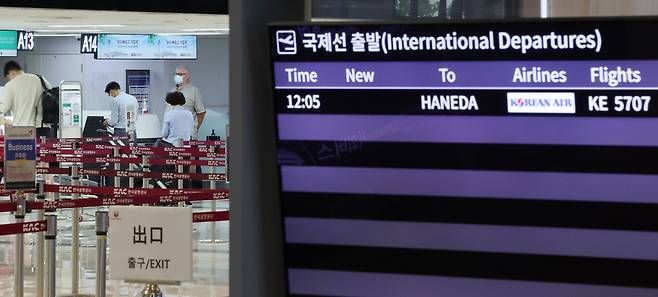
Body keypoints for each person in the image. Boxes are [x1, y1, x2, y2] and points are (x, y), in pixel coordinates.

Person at [0, 61, 52, 131]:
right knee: (44, 142)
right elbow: (51, 97)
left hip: (22, 128)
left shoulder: (11, 85)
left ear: (11, 72)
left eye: (8, 77)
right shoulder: (41, 79)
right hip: (43, 127)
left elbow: (4, 108)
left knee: (23, 142)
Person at [171, 65, 206, 140]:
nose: (177, 76)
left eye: (180, 74)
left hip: (188, 134)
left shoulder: (193, 91)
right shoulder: (172, 91)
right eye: (176, 74)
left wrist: (195, 128)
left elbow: (201, 112)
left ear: (187, 76)